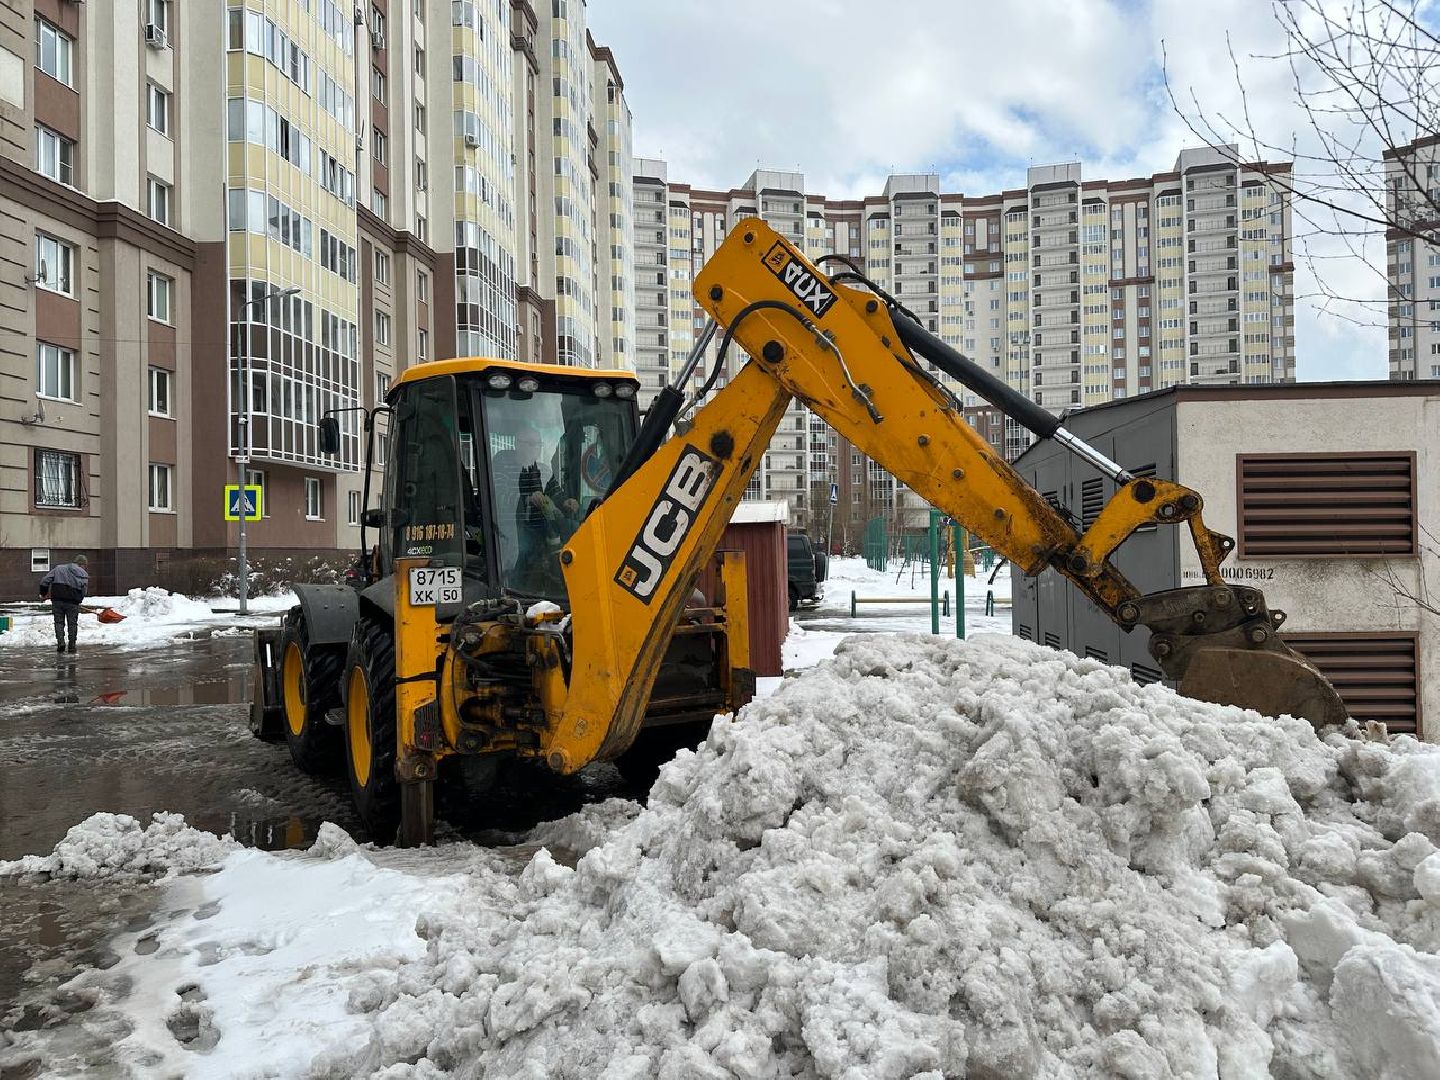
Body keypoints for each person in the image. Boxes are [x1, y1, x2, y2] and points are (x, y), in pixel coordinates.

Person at [40, 554, 90, 654]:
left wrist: (43, 593)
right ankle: (72, 646)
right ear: (82, 564)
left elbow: (44, 581)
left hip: (57, 600)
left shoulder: (59, 568)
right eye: (85, 565)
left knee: (59, 622)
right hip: (73, 603)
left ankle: (61, 643)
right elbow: (84, 591)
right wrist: (79, 599)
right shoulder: (83, 574)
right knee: (72, 624)